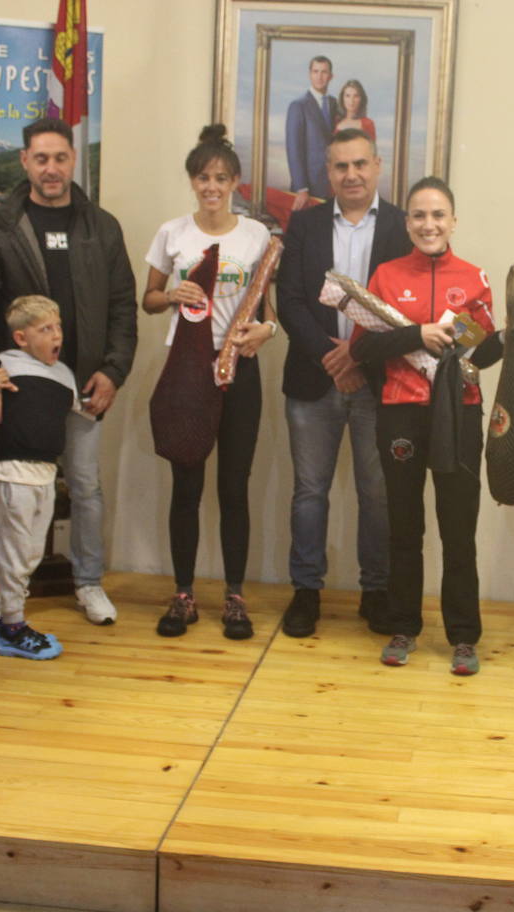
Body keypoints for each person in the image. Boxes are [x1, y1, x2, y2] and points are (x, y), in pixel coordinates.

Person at [0, 117, 137, 628]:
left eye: (60, 158)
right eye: (41, 158)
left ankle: (89, 582)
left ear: (73, 159)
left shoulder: (102, 227)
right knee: (19, 495)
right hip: (21, 389)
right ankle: (11, 593)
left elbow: (123, 307)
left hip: (83, 385)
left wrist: (114, 371)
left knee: (85, 486)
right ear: (24, 161)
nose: (51, 168)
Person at [350, 176, 514, 676]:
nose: (428, 224)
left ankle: (464, 636)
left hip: (460, 411)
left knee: (458, 527)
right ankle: (404, 625)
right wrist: (416, 333)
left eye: (438, 215)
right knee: (404, 526)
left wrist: (513, 336)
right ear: (406, 222)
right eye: (418, 215)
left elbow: (482, 350)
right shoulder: (385, 276)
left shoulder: (473, 279)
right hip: (400, 412)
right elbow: (362, 348)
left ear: (453, 221)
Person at [143, 124, 276, 641]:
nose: (212, 187)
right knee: (186, 484)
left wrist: (266, 331)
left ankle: (236, 598)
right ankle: (182, 595)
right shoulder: (172, 233)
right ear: (192, 182)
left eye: (221, 177)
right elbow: (148, 298)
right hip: (187, 371)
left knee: (234, 486)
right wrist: (171, 296)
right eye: (203, 178)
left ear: (235, 181)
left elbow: (269, 308)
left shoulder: (256, 236)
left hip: (239, 370)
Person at [276, 127, 410, 639]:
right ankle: (306, 591)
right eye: (340, 167)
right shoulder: (304, 224)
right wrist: (332, 356)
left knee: (377, 494)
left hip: (379, 382)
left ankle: (375, 592)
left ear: (377, 166)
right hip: (313, 380)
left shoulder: (402, 226)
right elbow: (288, 300)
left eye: (360, 164)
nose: (351, 174)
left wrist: (357, 357)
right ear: (328, 172)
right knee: (310, 492)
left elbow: (405, 311)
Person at [0, 295, 80, 661]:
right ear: (21, 338)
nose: (56, 335)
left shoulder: (64, 375)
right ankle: (12, 626)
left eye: (58, 327)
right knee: (15, 553)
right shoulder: (4, 365)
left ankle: (4, 611)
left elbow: (81, 410)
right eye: (45, 329)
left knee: (31, 553)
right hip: (14, 472)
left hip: (46, 475)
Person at [285, 56, 335, 212]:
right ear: (309, 74)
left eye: (324, 72)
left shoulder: (334, 104)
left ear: (331, 76)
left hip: (333, 185)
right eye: (315, 71)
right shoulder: (298, 105)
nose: (319, 76)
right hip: (309, 187)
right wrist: (301, 187)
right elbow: (294, 149)